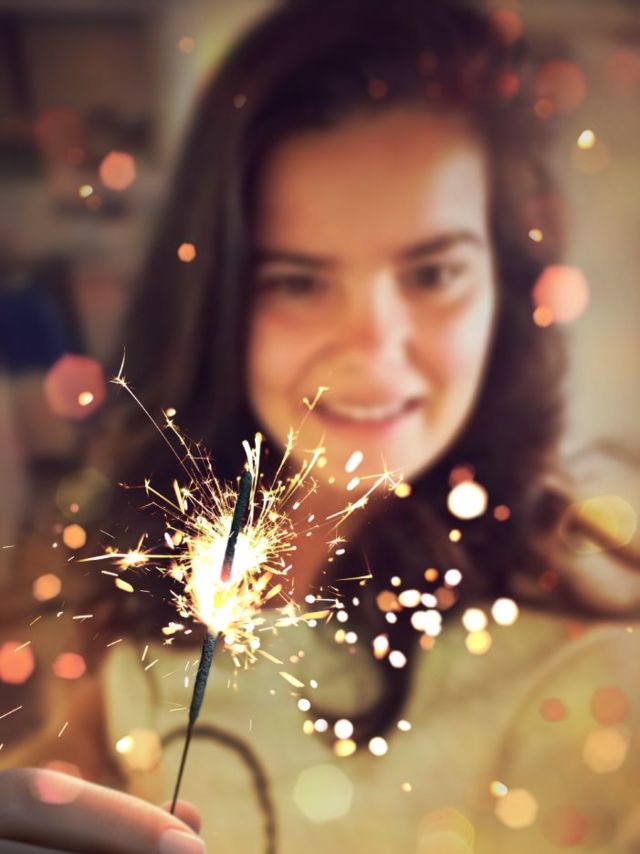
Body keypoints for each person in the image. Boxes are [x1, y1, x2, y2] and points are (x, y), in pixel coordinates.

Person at [1, 1, 639, 852]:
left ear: (505, 283)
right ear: (220, 298)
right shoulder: (145, 545)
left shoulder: (590, 664)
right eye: (297, 281)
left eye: (433, 272)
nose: (372, 349)